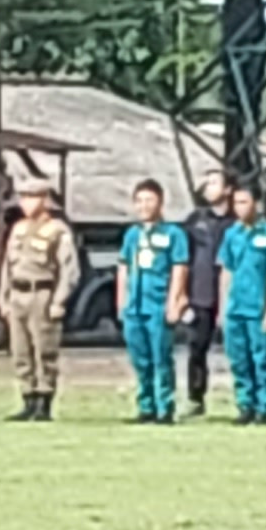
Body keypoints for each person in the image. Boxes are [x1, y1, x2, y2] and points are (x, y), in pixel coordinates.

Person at [0, 178, 84, 421]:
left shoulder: (57, 230)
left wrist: (59, 300)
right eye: (24, 197)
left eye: (33, 197)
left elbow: (69, 269)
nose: (27, 203)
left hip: (42, 293)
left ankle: (44, 401)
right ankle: (27, 398)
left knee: (44, 350)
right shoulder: (18, 229)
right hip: (18, 294)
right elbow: (7, 265)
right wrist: (3, 297)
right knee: (20, 351)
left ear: (45, 199)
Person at [118, 180, 189, 423]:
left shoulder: (173, 234)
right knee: (140, 359)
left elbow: (179, 268)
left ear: (160, 202)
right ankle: (145, 406)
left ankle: (165, 407)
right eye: (139, 201)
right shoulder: (132, 235)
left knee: (161, 357)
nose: (144, 206)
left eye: (149, 200)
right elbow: (123, 268)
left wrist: (174, 301)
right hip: (135, 306)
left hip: (157, 303)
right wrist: (122, 301)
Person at [217, 185, 266, 426]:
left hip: (258, 308)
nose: (240, 208)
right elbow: (226, 270)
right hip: (236, 308)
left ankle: (264, 406)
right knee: (239, 359)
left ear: (256, 204)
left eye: (244, 202)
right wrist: (223, 308)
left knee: (262, 359)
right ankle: (245, 405)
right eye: (236, 203)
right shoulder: (232, 234)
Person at [178, 172, 227, 419]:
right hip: (201, 294)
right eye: (206, 182)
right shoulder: (195, 221)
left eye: (215, 182)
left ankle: (250, 401)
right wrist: (182, 295)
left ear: (228, 189)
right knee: (197, 348)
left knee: (244, 350)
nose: (208, 187)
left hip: (235, 294)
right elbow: (182, 260)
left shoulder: (236, 221)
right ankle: (195, 398)